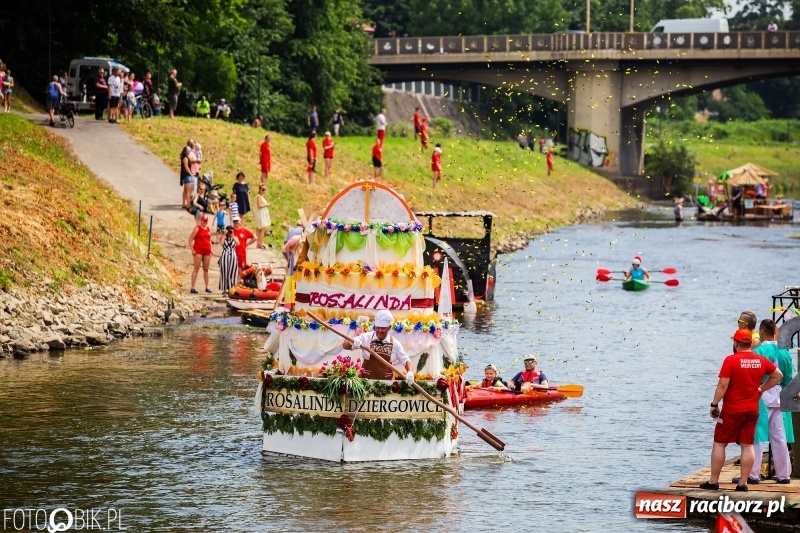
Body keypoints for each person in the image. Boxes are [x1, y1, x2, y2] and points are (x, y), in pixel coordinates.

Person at [701, 329, 782, 492]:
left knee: (720, 443)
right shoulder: (760, 360)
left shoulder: (730, 360)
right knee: (747, 445)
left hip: (732, 409)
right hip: (752, 409)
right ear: (750, 343)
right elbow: (778, 375)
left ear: (736, 343)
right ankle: (743, 483)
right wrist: (762, 388)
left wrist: (714, 404)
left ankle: (713, 481)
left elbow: (723, 385)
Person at [741, 319, 795, 485]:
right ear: (775, 333)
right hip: (780, 395)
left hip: (762, 393)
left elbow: (752, 375)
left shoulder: (759, 352)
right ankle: (784, 474)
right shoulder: (785, 352)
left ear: (762, 332)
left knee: (757, 436)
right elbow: (788, 378)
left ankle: (752, 474)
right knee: (779, 436)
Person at [342, 310, 414, 383]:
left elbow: (406, 360)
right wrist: (351, 342)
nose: (379, 331)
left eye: (383, 328)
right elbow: (345, 346)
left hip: (386, 383)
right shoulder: (366, 338)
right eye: (377, 328)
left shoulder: (395, 343)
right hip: (366, 381)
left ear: (389, 328)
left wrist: (410, 372)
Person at [188, 214, 214, 294]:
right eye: (204, 221)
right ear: (201, 221)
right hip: (198, 250)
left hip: (207, 251)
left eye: (206, 221)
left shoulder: (208, 229)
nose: (205, 222)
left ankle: (207, 286)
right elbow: (190, 239)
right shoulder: (197, 229)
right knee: (196, 268)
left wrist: (211, 249)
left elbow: (210, 240)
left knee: (206, 269)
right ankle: (193, 287)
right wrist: (192, 250)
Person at [218, 225, 240, 293]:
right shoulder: (223, 237)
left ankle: (231, 288)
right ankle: (224, 289)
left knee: (232, 272)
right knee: (224, 272)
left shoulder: (235, 237)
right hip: (225, 255)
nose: (230, 232)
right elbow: (221, 243)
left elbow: (238, 243)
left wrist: (233, 235)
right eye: (229, 230)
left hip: (233, 256)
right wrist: (224, 234)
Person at [254, 185, 271, 249]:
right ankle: (260, 243)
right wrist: (266, 204)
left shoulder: (260, 196)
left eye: (265, 189)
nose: (264, 191)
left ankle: (258, 243)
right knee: (262, 229)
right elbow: (259, 205)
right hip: (260, 214)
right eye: (263, 189)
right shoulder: (259, 197)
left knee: (259, 228)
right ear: (260, 189)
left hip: (261, 214)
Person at [180, 140, 195, 210]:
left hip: (185, 176)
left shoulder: (184, 157)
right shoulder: (185, 158)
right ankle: (188, 204)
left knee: (185, 190)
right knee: (188, 191)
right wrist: (190, 173)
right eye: (188, 151)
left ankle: (184, 203)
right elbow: (186, 167)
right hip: (187, 176)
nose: (189, 152)